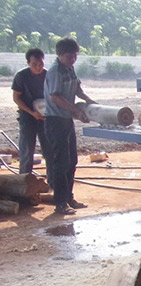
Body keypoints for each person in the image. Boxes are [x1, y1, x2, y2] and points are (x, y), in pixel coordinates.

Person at [44, 38, 95, 215]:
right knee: (61, 162)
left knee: (72, 160)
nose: (72, 59)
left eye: (74, 56)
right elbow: (56, 97)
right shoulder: (55, 71)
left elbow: (77, 89)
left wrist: (88, 100)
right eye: (69, 56)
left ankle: (68, 197)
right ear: (60, 55)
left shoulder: (69, 68)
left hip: (66, 120)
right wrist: (76, 111)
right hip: (55, 121)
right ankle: (60, 202)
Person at [11, 48, 51, 177]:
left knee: (49, 148)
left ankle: (53, 180)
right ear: (28, 63)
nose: (38, 67)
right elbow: (16, 98)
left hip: (45, 116)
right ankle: (24, 180)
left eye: (41, 64)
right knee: (27, 149)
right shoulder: (21, 76)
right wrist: (31, 112)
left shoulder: (48, 75)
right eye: (34, 64)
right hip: (27, 115)